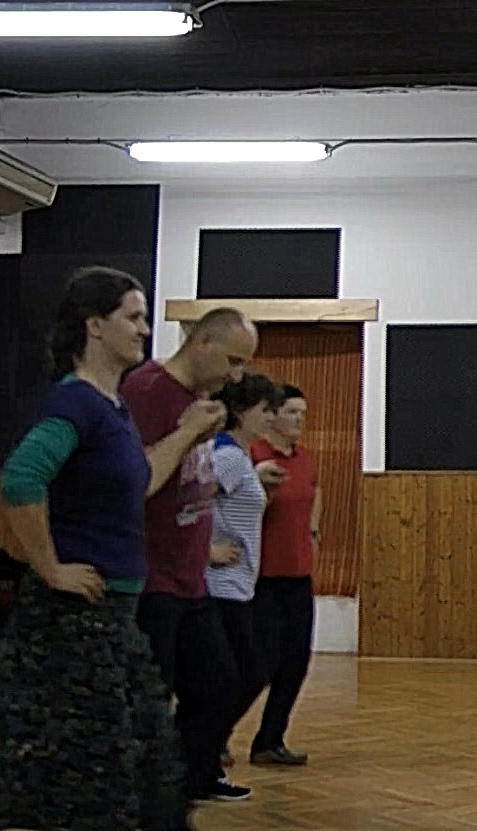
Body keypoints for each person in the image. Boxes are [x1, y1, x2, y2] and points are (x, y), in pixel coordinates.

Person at [0, 267, 201, 831]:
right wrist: (51, 568)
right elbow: (21, 478)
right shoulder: (76, 403)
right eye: (133, 317)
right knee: (89, 767)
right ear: (94, 325)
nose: (144, 329)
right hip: (73, 617)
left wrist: (185, 434)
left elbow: (140, 480)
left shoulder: (112, 407)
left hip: (112, 612)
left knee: (140, 756)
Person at [120, 307, 260, 803]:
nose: (236, 376)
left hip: (189, 579)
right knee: (151, 696)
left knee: (221, 685)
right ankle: (147, 792)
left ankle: (185, 781)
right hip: (151, 576)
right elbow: (134, 480)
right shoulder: (147, 390)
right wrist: (185, 434)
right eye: (232, 361)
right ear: (202, 342)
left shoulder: (200, 397)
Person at [205, 370, 281, 765]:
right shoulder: (229, 458)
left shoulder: (240, 458)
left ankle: (209, 744)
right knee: (246, 673)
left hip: (237, 583)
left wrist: (256, 479)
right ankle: (202, 743)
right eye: (265, 410)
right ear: (240, 411)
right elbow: (183, 502)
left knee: (238, 674)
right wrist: (205, 550)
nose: (271, 417)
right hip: (220, 583)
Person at [247, 384, 322, 766]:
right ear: (271, 415)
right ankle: (212, 736)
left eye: (303, 413)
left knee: (296, 661)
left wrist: (313, 532)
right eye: (292, 412)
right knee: (257, 664)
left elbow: (314, 492)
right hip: (261, 576)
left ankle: (269, 740)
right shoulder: (254, 455)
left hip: (297, 573)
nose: (299, 420)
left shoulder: (304, 459)